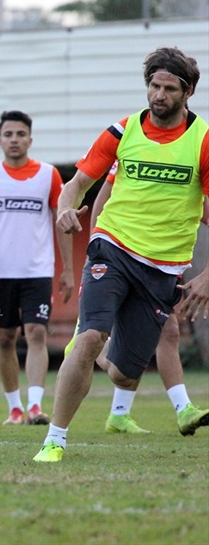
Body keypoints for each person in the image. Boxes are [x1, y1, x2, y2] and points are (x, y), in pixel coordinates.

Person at [35, 46, 209, 463]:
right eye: (153, 85)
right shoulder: (121, 131)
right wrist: (63, 208)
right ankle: (54, 440)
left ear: (187, 93)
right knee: (91, 336)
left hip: (163, 268)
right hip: (111, 246)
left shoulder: (203, 142)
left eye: (169, 88)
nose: (158, 95)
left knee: (123, 371)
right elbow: (76, 184)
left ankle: (95, 347)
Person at [64, 163, 209, 436]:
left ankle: (121, 413)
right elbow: (102, 201)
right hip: (120, 259)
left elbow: (197, 207)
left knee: (166, 332)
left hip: (159, 263)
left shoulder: (190, 154)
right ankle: (181, 408)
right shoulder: (131, 149)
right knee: (164, 330)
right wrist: (97, 249)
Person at [0, 110, 74, 426]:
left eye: (20, 134)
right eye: (8, 134)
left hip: (37, 270)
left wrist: (67, 269)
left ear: (30, 139)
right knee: (5, 337)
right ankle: (14, 408)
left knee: (36, 332)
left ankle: (36, 406)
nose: (14, 140)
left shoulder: (49, 175)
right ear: (0, 140)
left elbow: (62, 223)